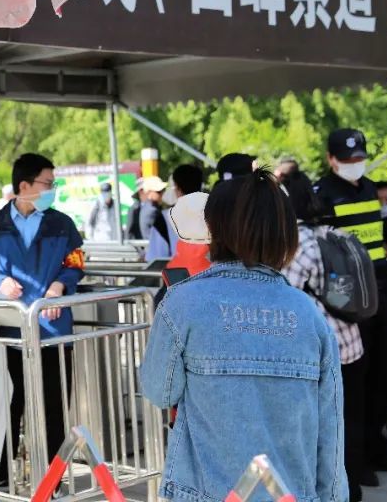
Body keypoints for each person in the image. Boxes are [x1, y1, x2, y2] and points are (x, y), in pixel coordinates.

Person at [140, 169, 346, 502]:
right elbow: (330, 430)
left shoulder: (182, 303)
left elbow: (159, 392)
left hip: (204, 493)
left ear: (213, 229)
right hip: (289, 494)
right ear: (284, 234)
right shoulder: (309, 314)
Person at [0, 153, 85, 488]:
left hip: (53, 329)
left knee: (53, 407)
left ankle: (52, 482)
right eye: (48, 183)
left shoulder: (62, 223)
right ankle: (2, 479)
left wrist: (60, 285)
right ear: (24, 186)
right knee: (9, 403)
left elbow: (76, 261)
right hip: (9, 329)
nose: (52, 189)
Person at [314, 128, 387, 476]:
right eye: (346, 159)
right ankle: (353, 464)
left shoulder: (371, 188)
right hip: (346, 298)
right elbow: (321, 251)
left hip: (380, 289)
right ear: (331, 159)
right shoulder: (322, 195)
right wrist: (338, 302)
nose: (354, 164)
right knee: (355, 384)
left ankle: (376, 448)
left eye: (358, 158)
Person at [282, 171, 367, 500]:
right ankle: (354, 487)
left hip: (324, 350)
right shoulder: (333, 233)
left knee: (326, 430)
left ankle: (337, 492)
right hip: (353, 342)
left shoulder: (297, 244)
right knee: (352, 421)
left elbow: (285, 293)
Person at [146, 165, 204, 263]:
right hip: (212, 272)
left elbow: (155, 259)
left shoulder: (164, 219)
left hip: (177, 272)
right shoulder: (214, 216)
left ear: (177, 188)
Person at [137, 176, 166, 242]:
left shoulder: (148, 207)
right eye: (158, 191)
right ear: (149, 192)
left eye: (163, 190)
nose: (162, 194)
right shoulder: (152, 211)